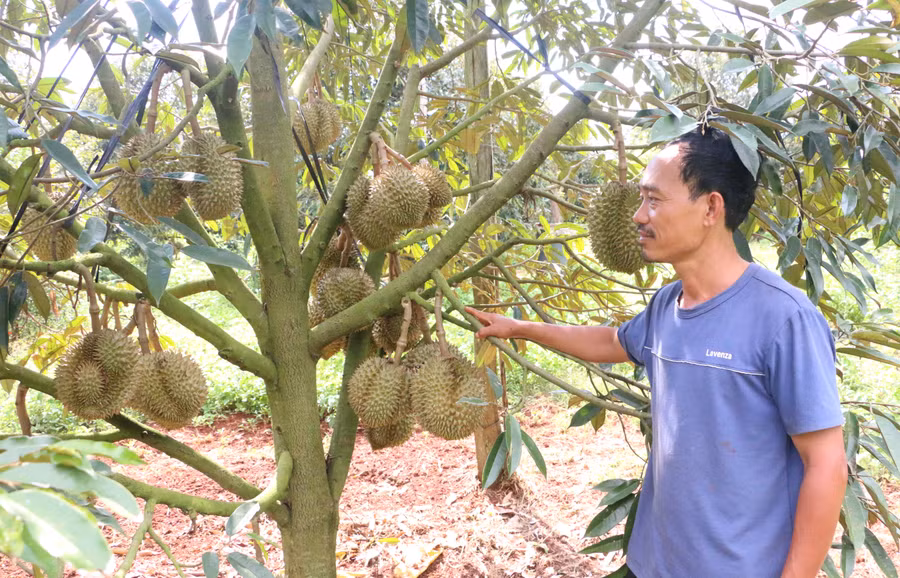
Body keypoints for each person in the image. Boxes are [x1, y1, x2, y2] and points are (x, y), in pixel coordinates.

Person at [467, 126, 847, 578]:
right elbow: (612, 342)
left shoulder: (784, 318)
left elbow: (826, 465)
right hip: (658, 562)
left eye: (653, 200)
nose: (638, 216)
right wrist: (523, 328)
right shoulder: (668, 305)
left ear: (711, 207)